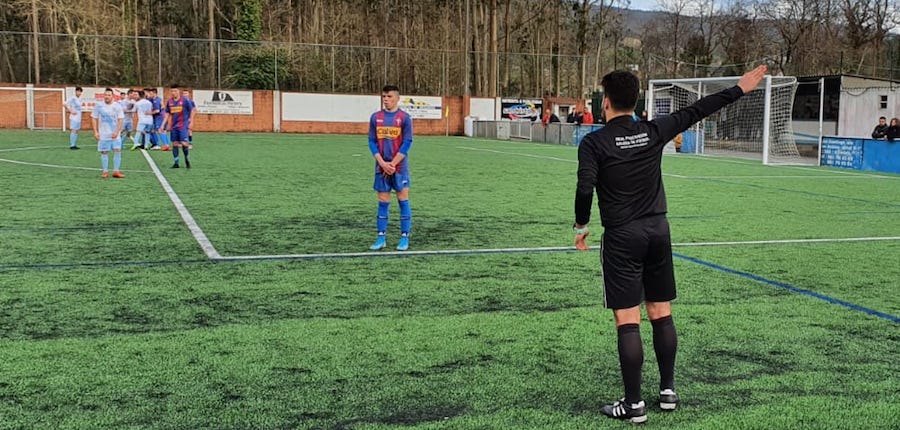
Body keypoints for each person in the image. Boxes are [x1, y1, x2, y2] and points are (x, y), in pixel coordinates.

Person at [573, 64, 767, 423]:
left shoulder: (594, 143)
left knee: (627, 320)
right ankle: (667, 391)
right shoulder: (653, 130)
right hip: (658, 233)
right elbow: (698, 109)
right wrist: (739, 88)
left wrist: (581, 225)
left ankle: (633, 406)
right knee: (661, 314)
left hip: (623, 237)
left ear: (606, 103)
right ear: (636, 101)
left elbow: (585, 187)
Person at [368, 84, 414, 251]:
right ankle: (381, 237)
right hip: (381, 166)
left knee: (403, 199)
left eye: (389, 97)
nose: (386, 100)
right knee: (382, 201)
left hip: (399, 167)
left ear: (397, 98)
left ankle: (404, 238)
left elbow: (407, 142)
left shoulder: (405, 118)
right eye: (384, 97)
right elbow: (372, 141)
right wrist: (382, 162)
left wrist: (393, 163)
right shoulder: (375, 117)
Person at [91, 88, 125, 179]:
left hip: (115, 133)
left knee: (117, 150)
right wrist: (95, 132)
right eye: (105, 95)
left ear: (112, 96)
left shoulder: (117, 106)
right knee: (104, 152)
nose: (107, 97)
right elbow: (94, 118)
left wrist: (117, 132)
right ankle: (105, 171)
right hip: (103, 134)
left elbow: (120, 119)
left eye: (109, 95)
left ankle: (116, 171)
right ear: (103, 96)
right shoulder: (99, 106)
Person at [163, 86, 196, 168]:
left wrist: (191, 121)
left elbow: (192, 110)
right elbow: (167, 113)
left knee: (184, 143)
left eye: (175, 91)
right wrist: (163, 124)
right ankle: (176, 162)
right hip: (174, 126)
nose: (173, 92)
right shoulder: (169, 101)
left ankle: (186, 159)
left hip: (183, 125)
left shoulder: (185, 101)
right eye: (172, 91)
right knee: (175, 144)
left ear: (178, 91)